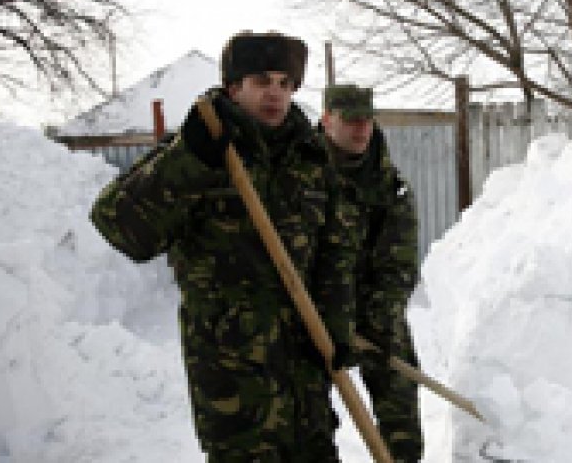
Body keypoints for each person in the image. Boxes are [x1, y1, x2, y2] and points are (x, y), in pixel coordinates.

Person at [90, 31, 360, 462]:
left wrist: (338, 324)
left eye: (285, 83)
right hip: (235, 377)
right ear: (234, 87)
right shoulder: (202, 148)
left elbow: (334, 251)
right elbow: (118, 226)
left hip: (305, 375)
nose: (275, 93)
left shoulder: (311, 158)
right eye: (261, 81)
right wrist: (191, 158)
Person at [319, 84, 424, 462]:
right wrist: (329, 316)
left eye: (367, 119)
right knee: (304, 423)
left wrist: (377, 320)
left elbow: (399, 265)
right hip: (312, 315)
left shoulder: (390, 188)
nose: (361, 129)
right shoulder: (302, 177)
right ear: (327, 120)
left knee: (401, 419)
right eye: (351, 120)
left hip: (375, 318)